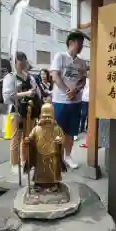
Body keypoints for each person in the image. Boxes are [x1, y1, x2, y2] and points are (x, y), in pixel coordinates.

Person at [50, 31, 87, 169]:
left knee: (71, 132)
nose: (82, 46)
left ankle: (68, 156)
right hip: (60, 101)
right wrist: (67, 90)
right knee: (58, 132)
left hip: (76, 102)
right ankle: (57, 158)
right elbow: (55, 76)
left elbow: (83, 79)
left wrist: (75, 90)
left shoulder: (81, 62)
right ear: (71, 42)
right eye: (80, 43)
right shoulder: (60, 57)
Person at [2, 51, 41, 173]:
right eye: (20, 63)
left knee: (27, 138)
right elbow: (7, 96)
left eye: (24, 62)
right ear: (14, 63)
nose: (23, 65)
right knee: (16, 138)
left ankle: (25, 161)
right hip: (17, 111)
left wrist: (35, 94)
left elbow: (37, 92)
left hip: (30, 111)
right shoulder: (10, 77)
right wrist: (26, 93)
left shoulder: (29, 77)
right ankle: (15, 164)